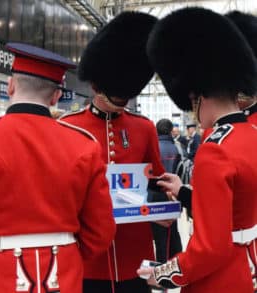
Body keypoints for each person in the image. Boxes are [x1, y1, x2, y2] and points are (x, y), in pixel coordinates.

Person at [0, 43, 116, 292]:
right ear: (56, 96)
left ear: (11, 86)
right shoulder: (84, 145)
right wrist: (68, 249)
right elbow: (101, 230)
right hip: (62, 271)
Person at [137, 7, 257, 292]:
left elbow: (210, 249)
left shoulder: (214, 149)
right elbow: (236, 204)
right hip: (248, 266)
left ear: (198, 98)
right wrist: (184, 191)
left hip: (218, 279)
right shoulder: (251, 134)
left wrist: (163, 273)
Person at [61, 11, 166, 293]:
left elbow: (157, 182)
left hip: (134, 253)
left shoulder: (144, 128)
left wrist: (162, 208)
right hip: (89, 257)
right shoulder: (67, 128)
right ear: (96, 85)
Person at [151, 119, 182, 264]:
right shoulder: (177, 148)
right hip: (173, 195)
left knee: (159, 236)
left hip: (155, 195)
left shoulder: (153, 147)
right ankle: (173, 266)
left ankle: (160, 267)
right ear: (170, 131)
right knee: (172, 232)